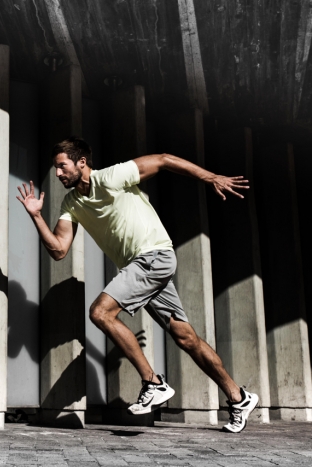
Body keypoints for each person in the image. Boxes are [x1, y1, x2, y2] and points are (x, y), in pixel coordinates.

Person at [16, 136, 258, 433]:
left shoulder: (112, 177)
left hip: (153, 256)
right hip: (141, 266)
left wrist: (211, 177)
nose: (57, 173)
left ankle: (153, 383)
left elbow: (164, 159)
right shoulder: (72, 203)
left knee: (100, 313)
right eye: (56, 168)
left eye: (62, 166)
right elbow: (58, 250)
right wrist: (36, 216)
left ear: (82, 163)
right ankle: (239, 397)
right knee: (185, 337)